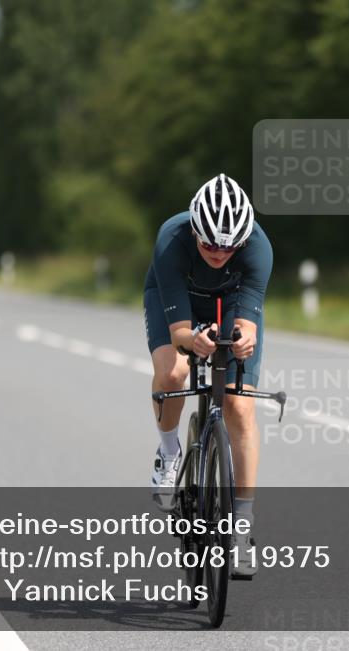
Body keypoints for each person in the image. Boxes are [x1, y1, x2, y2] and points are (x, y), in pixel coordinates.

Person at [143, 173, 272, 578]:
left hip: (231, 303)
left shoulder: (258, 247)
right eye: (209, 244)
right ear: (194, 229)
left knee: (239, 406)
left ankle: (243, 525)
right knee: (173, 372)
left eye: (228, 246)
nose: (218, 252)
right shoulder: (172, 238)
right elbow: (181, 333)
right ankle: (169, 453)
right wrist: (193, 339)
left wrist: (243, 342)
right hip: (177, 298)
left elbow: (249, 326)